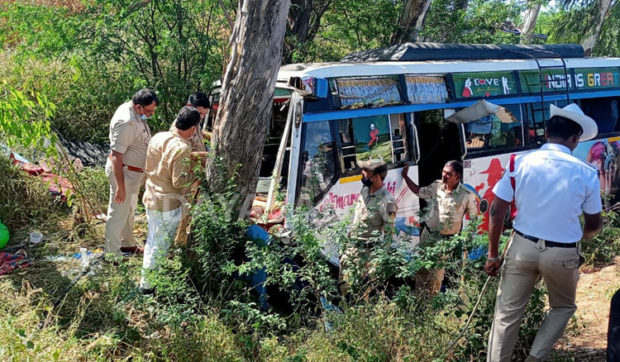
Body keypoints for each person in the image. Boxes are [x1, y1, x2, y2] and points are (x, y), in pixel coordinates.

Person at [484, 103, 603, 362]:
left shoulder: (519, 162)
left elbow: (497, 210)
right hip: (562, 253)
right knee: (563, 307)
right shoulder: (587, 172)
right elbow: (594, 224)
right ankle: (535, 358)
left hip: (521, 248)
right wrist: (579, 237)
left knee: (506, 314)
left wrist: (493, 255)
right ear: (575, 139)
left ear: (546, 133)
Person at [140, 106, 202, 291]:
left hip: (151, 196)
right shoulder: (182, 147)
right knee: (159, 244)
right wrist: (198, 172)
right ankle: (148, 287)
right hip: (167, 203)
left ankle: (151, 279)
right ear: (193, 129)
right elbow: (179, 181)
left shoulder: (159, 136)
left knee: (153, 239)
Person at [401, 160, 478, 294]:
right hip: (428, 235)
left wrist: (467, 238)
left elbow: (474, 220)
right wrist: (406, 176)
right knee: (421, 271)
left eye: (448, 174)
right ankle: (419, 302)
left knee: (435, 276)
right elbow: (419, 191)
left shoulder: (466, 195)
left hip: (445, 241)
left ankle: (430, 309)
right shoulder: (436, 187)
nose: (444, 175)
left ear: (457, 177)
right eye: (443, 172)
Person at [105, 88, 158, 255]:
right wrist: (120, 186)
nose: (151, 115)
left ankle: (127, 243)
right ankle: (112, 253)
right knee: (118, 214)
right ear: (138, 107)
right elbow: (116, 157)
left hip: (133, 175)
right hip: (124, 174)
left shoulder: (135, 114)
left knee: (129, 210)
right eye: (149, 111)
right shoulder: (126, 122)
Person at [339, 159, 397, 296]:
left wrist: (376, 265)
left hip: (366, 257)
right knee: (344, 291)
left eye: (366, 172)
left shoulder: (387, 201)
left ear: (376, 177)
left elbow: (388, 236)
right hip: (351, 252)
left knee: (361, 295)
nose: (362, 174)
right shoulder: (364, 190)